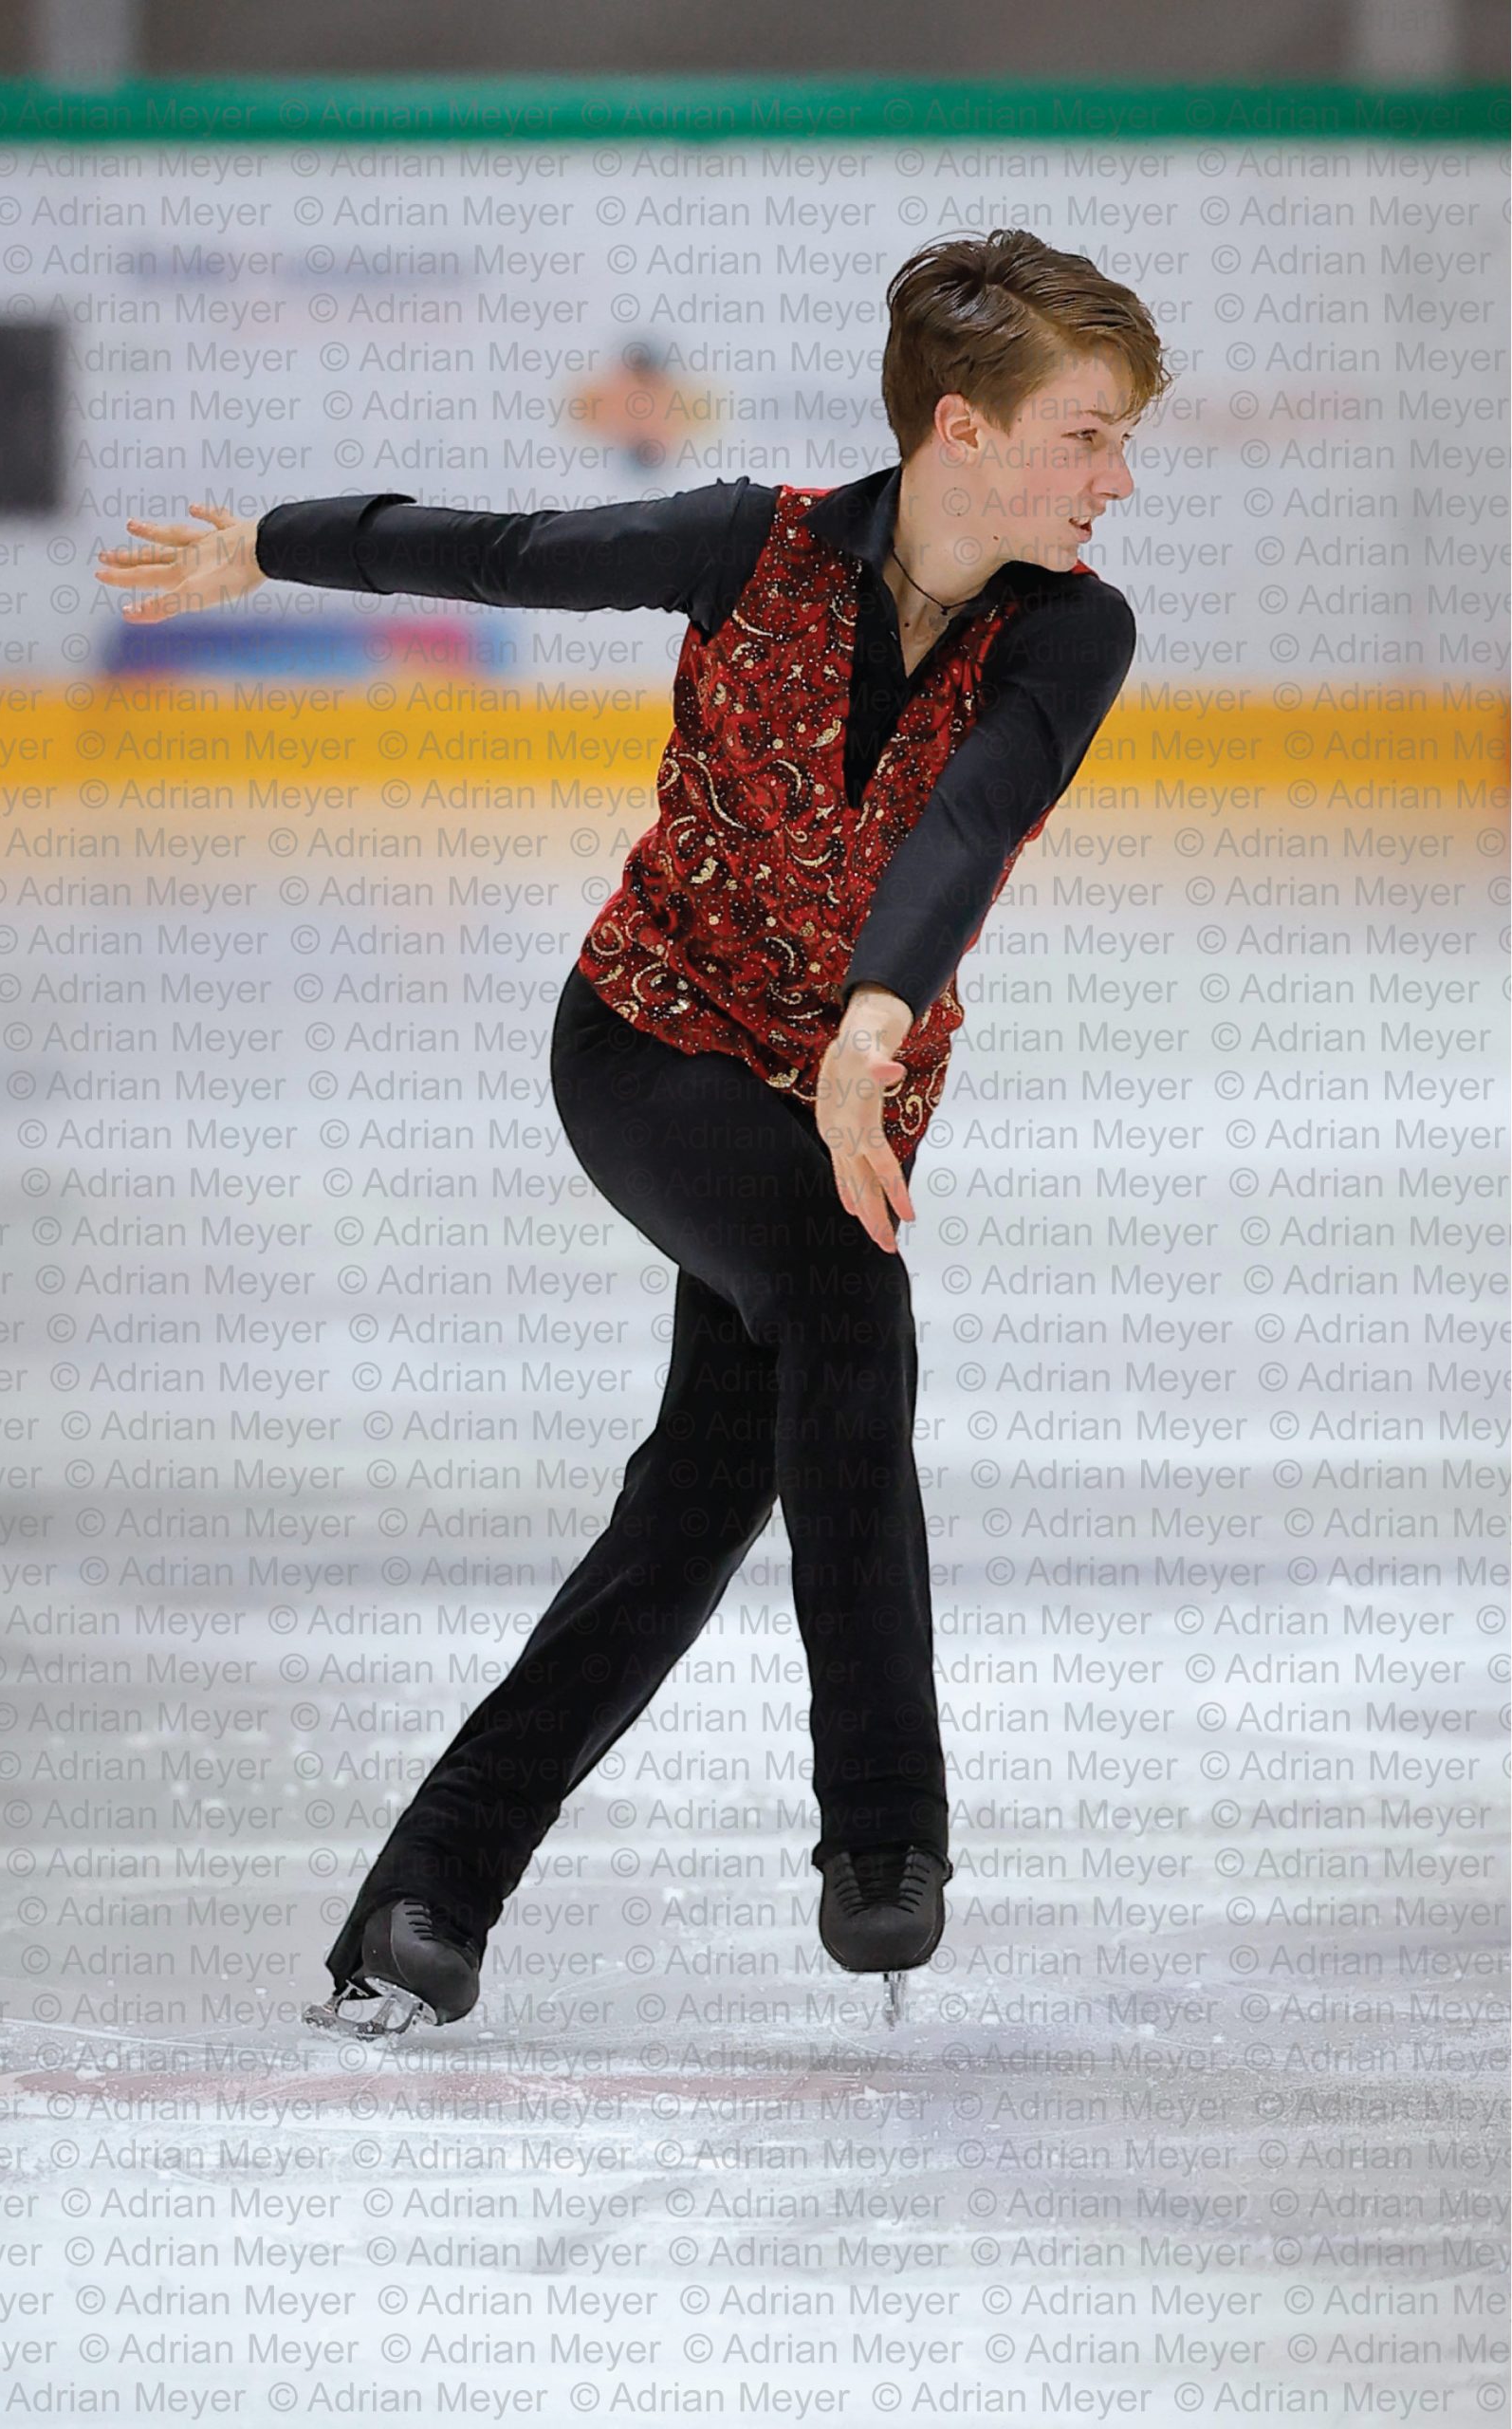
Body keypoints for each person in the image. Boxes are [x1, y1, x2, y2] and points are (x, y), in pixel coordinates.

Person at [97, 228, 1171, 2034]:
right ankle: (885, 1829)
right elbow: (504, 551)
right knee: (843, 1300)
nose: (1120, 479)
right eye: (1088, 435)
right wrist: (267, 539)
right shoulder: (747, 547)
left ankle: (425, 1901)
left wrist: (874, 1030)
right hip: (651, 1051)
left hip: (848, 1101)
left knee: (695, 1500)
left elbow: (965, 829)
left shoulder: (1075, 631)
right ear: (964, 430)